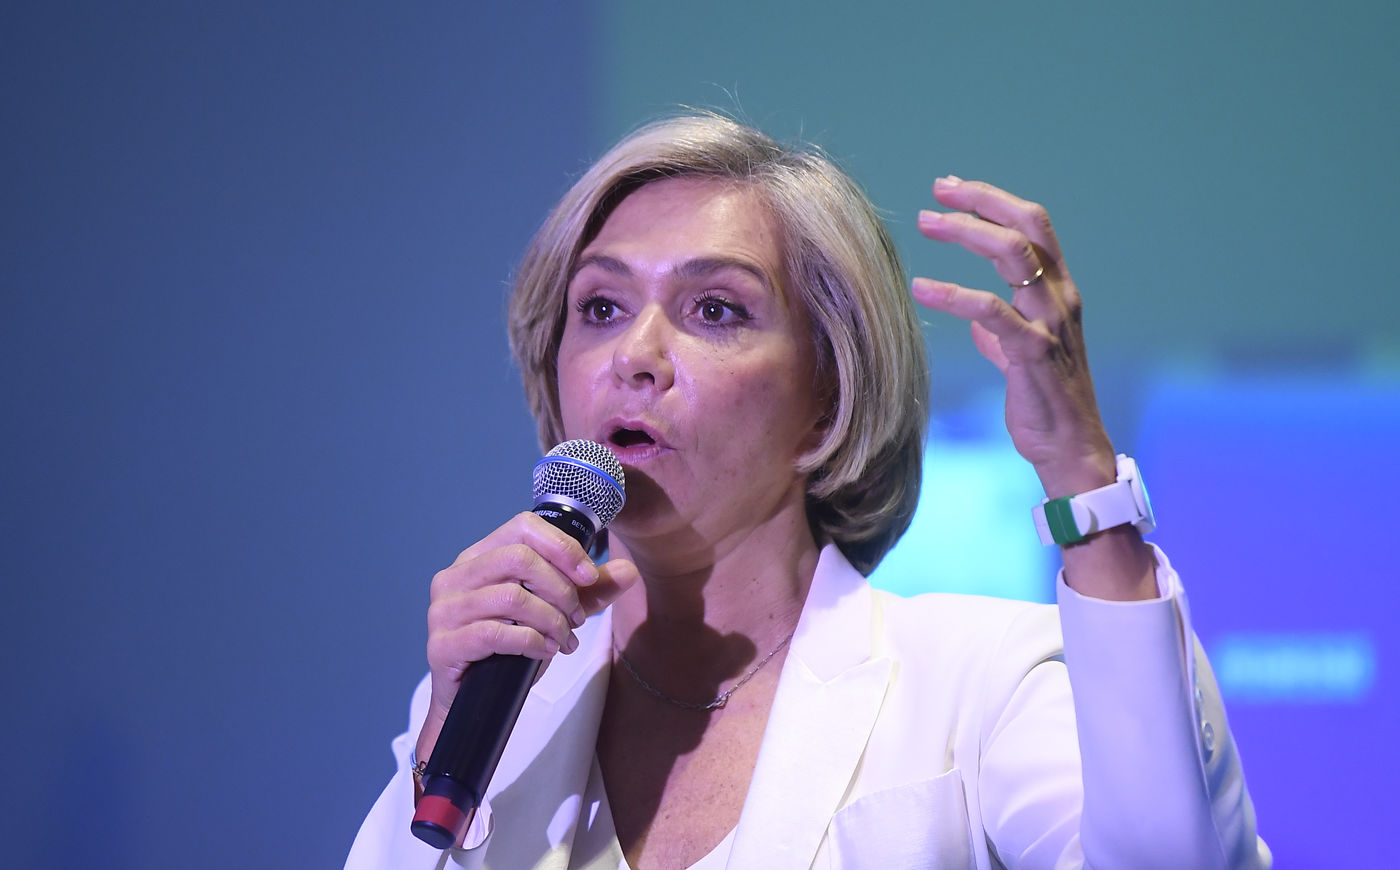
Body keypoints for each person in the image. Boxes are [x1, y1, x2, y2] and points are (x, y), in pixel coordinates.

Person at [345, 113, 1270, 869]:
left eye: (715, 309)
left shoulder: (979, 681)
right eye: (601, 307)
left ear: (829, 393)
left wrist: (1086, 484)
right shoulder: (495, 706)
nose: (634, 355)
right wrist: (443, 737)